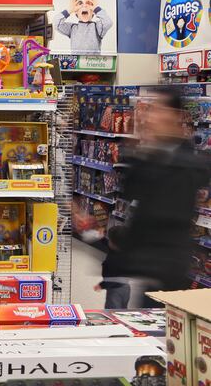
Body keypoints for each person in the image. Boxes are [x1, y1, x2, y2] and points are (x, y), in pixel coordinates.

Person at [82, 89, 210, 308]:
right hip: (138, 269)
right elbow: (130, 192)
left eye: (157, 109)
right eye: (149, 109)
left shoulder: (188, 163)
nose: (149, 116)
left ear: (175, 115)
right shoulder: (153, 156)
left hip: (164, 272)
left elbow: (161, 214)